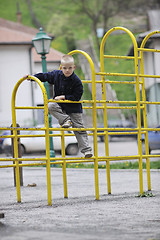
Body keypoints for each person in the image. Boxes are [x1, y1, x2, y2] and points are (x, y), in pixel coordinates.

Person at [25, 55, 92, 158]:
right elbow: (45, 76)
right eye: (65, 68)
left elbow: (77, 96)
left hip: (74, 108)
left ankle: (86, 150)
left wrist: (64, 97)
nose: (67, 70)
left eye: (70, 68)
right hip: (60, 107)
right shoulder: (56, 75)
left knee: (79, 128)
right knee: (50, 105)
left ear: (73, 68)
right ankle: (65, 120)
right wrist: (33, 77)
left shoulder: (76, 81)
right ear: (61, 67)